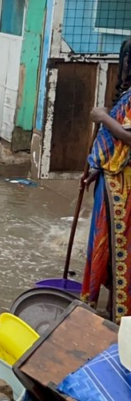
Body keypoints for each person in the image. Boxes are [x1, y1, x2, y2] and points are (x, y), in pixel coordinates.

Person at [83, 39, 131, 321]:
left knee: (120, 249)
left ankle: (120, 316)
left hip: (124, 187)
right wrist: (96, 169)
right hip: (112, 180)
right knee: (110, 249)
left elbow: (128, 137)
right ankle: (113, 310)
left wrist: (102, 117)